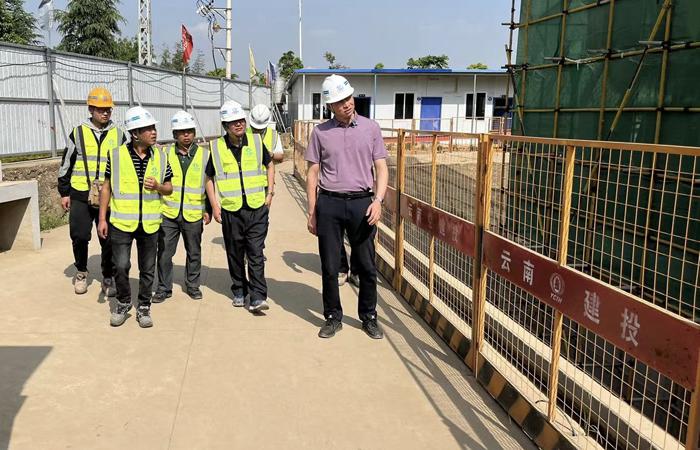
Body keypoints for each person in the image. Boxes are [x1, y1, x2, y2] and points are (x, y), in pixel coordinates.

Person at [305, 74, 389, 339]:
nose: (347, 104)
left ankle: (369, 317)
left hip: (362, 204)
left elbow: (381, 168)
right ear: (330, 106)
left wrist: (378, 201)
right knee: (330, 266)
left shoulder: (371, 128)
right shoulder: (320, 133)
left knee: (366, 266)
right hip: (329, 203)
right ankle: (332, 317)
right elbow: (312, 173)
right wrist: (312, 211)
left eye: (349, 98)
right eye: (340, 101)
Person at [97, 106, 173, 328]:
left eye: (154, 128)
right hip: (122, 223)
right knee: (121, 266)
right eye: (148, 129)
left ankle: (144, 307)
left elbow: (169, 188)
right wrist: (102, 218)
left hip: (150, 223)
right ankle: (123, 303)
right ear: (135, 133)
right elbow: (106, 188)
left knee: (147, 269)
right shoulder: (116, 155)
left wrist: (158, 186)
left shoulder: (161, 156)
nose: (154, 132)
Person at [205, 100, 275, 313]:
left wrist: (270, 193)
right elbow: (209, 178)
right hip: (231, 211)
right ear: (225, 126)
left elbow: (270, 165)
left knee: (255, 252)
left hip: (257, 208)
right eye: (233, 122)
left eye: (241, 120)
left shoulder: (256, 141)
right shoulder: (216, 147)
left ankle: (258, 296)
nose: (239, 124)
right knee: (235, 253)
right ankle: (239, 289)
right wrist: (214, 205)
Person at [57, 87, 125, 296]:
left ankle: (108, 276)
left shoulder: (119, 134)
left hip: (107, 194)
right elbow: (66, 164)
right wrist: (64, 192)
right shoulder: (77, 132)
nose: (105, 113)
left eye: (108, 109)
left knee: (108, 238)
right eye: (100, 109)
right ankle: (81, 271)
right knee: (79, 235)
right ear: (90, 109)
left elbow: (125, 165)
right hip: (80, 192)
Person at [153, 111, 211, 302]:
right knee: (164, 253)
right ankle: (164, 288)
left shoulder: (205, 155)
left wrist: (209, 209)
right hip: (168, 212)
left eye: (189, 131)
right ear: (174, 134)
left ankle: (193, 285)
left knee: (194, 252)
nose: (186, 135)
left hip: (193, 213)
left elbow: (209, 184)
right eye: (181, 132)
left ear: (194, 132)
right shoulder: (165, 154)